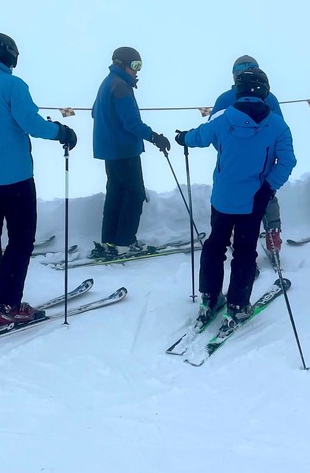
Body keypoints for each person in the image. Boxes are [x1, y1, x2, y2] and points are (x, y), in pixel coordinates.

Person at [0, 32, 78, 330]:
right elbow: (32, 124)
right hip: (15, 178)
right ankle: (6, 305)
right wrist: (62, 131)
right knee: (20, 239)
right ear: (8, 55)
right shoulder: (13, 85)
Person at [175, 68, 296, 327]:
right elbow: (287, 160)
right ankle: (238, 305)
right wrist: (268, 188)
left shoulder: (222, 118)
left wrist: (183, 137)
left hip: (223, 198)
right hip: (254, 201)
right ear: (265, 90)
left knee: (215, 244)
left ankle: (209, 297)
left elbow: (199, 136)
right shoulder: (276, 124)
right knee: (244, 251)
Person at [91, 46, 171, 258]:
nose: (137, 71)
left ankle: (110, 239)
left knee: (116, 194)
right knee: (135, 195)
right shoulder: (121, 87)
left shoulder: (108, 83)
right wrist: (155, 137)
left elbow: (94, 112)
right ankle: (124, 242)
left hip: (110, 151)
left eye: (140, 66)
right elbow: (132, 123)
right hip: (124, 151)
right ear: (121, 64)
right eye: (135, 65)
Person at [210, 55, 285, 254]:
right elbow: (280, 129)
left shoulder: (225, 98)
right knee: (267, 196)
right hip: (263, 163)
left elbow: (212, 132)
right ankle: (272, 235)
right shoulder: (269, 97)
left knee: (233, 203)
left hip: (231, 165)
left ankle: (238, 240)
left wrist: (228, 150)